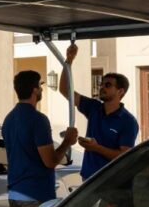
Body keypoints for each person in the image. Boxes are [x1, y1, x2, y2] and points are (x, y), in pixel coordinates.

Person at [2, 70, 78, 207]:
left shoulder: (9, 119)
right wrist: (67, 141)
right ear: (34, 89)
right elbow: (50, 161)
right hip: (36, 195)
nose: (42, 89)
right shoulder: (38, 120)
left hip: (15, 194)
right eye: (40, 85)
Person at [59, 43, 139, 179]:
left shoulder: (128, 121)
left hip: (111, 182)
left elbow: (124, 155)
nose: (102, 87)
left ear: (120, 91)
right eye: (101, 84)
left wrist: (96, 148)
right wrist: (69, 61)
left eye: (108, 85)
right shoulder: (93, 108)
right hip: (88, 179)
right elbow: (65, 90)